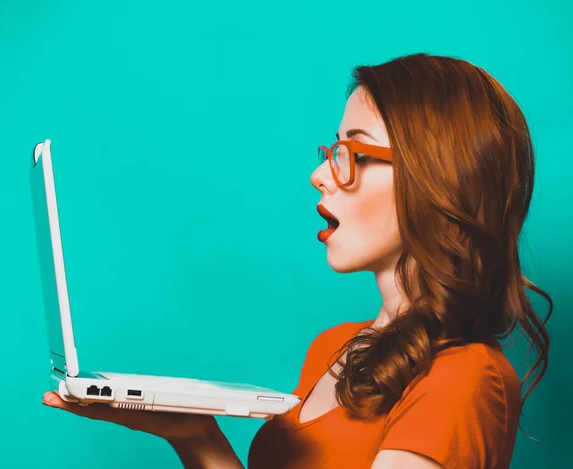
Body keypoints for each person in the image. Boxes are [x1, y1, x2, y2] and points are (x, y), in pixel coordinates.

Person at [42, 52, 553, 469]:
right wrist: (196, 437)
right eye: (331, 150)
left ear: (436, 181)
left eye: (353, 153)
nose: (320, 174)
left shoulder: (466, 379)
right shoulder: (332, 348)